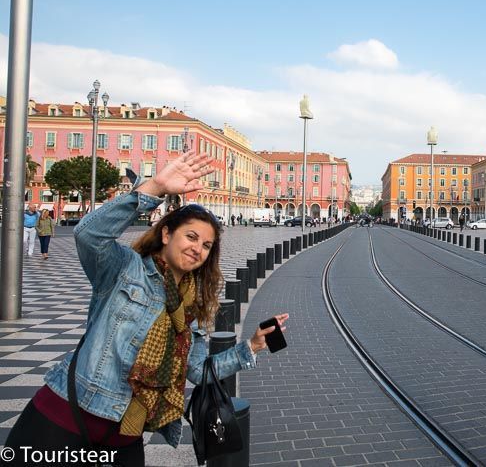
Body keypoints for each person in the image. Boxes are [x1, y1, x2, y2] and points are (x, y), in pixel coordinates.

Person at [4, 152, 289, 466]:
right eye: (191, 237)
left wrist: (250, 347)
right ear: (166, 234)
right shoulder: (124, 269)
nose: (197, 248)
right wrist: (155, 187)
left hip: (126, 433)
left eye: (206, 245)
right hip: (66, 418)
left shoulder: (188, 305)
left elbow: (197, 371)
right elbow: (89, 235)